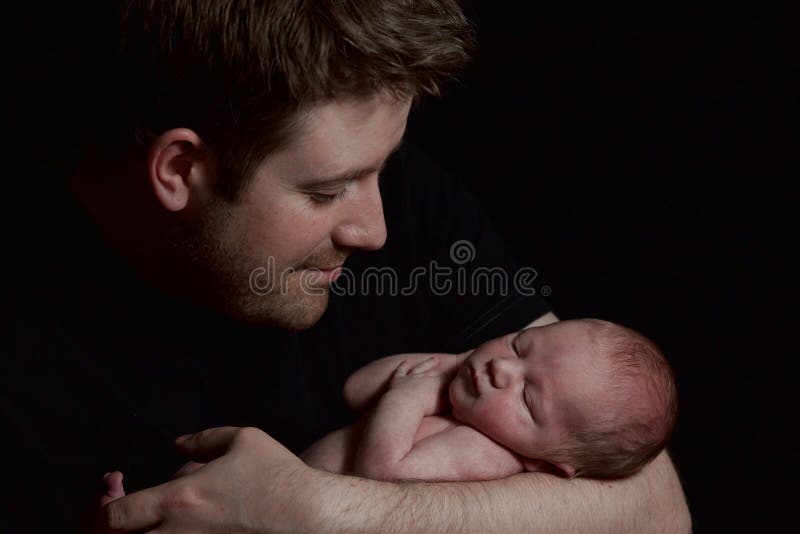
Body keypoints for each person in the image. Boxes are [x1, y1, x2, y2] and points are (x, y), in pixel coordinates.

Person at [8, 1, 690, 532]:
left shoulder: (412, 206)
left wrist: (322, 515)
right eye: (326, 192)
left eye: (382, 170)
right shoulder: (38, 354)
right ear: (181, 169)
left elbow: (655, 507)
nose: (375, 229)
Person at [300, 319, 677, 481]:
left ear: (542, 461)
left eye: (527, 398)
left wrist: (407, 397)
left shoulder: (483, 452)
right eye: (518, 345)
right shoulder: (469, 389)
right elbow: (358, 389)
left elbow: (379, 476)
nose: (503, 368)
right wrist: (455, 367)